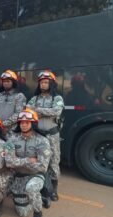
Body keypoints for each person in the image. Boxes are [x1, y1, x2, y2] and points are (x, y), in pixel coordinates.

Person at [5, 108, 51, 217]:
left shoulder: (42, 141)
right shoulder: (12, 139)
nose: (23, 124)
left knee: (31, 188)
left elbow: (42, 165)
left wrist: (18, 161)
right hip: (18, 176)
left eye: (27, 122)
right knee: (22, 212)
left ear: (33, 123)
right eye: (21, 122)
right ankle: (39, 198)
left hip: (35, 175)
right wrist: (28, 160)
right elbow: (8, 162)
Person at [26, 71, 64, 201]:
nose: (43, 84)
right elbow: (27, 109)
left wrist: (37, 111)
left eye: (46, 82)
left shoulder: (57, 98)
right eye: (41, 82)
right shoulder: (35, 98)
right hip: (37, 135)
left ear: (51, 84)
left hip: (52, 134)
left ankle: (53, 189)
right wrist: (42, 112)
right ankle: (40, 186)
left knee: (53, 161)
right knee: (37, 160)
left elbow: (56, 111)